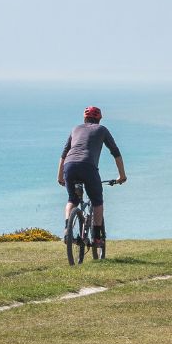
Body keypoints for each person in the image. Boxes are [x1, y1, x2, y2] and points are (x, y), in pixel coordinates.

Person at [58, 105, 127, 244]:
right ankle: (96, 237)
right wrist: (122, 176)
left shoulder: (75, 129)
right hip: (88, 167)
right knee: (97, 201)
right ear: (99, 119)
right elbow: (115, 152)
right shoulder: (102, 129)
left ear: (84, 118)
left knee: (72, 199)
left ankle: (67, 231)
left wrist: (60, 176)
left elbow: (64, 154)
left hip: (69, 166)